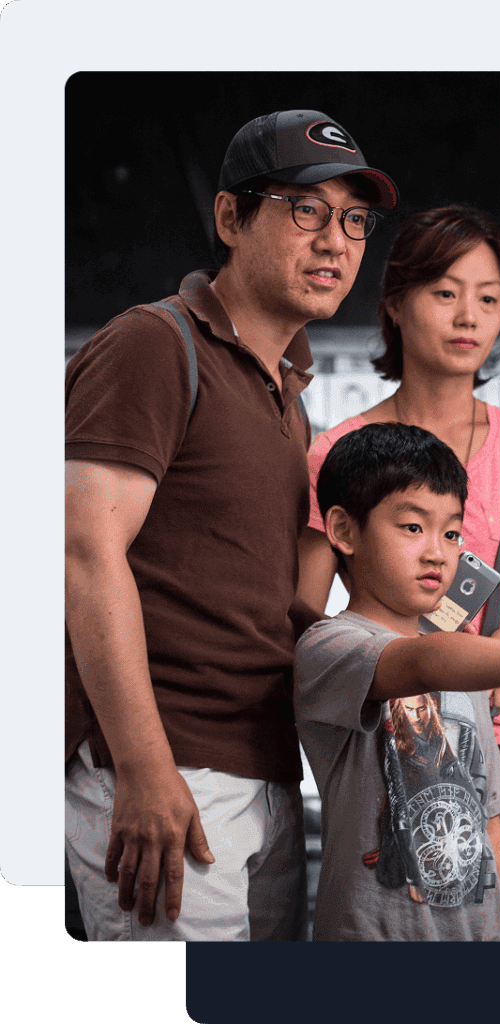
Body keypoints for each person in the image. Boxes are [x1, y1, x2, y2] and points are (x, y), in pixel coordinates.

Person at [64, 109, 398, 941]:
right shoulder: (154, 343)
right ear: (229, 218)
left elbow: (277, 602)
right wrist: (142, 767)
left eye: (355, 220)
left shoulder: (290, 394)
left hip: (265, 771)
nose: (336, 242)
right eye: (305, 209)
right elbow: (80, 552)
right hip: (165, 770)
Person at [296, 205, 500, 940]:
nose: (469, 314)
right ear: (396, 303)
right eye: (444, 291)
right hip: (402, 736)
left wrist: (496, 664)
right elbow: (305, 606)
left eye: (488, 296)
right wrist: (420, 667)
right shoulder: (339, 449)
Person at [293, 422, 500, 940]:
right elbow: (421, 661)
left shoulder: (466, 665)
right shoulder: (329, 646)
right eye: (412, 528)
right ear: (344, 530)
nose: (438, 552)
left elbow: (492, 825)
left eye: (452, 533)